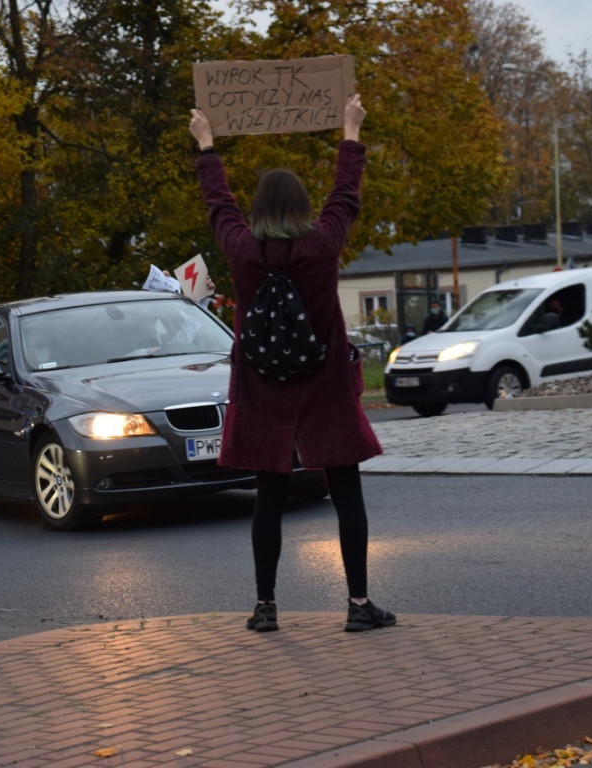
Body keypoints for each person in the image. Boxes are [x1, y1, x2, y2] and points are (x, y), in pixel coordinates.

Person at [189, 94, 395, 634]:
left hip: (263, 390)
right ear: (303, 207)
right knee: (346, 491)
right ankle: (357, 605)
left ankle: (265, 607)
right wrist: (350, 128)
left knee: (269, 496)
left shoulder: (240, 250)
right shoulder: (322, 246)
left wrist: (207, 145)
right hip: (323, 386)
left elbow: (219, 204)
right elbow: (345, 194)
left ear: (257, 210)